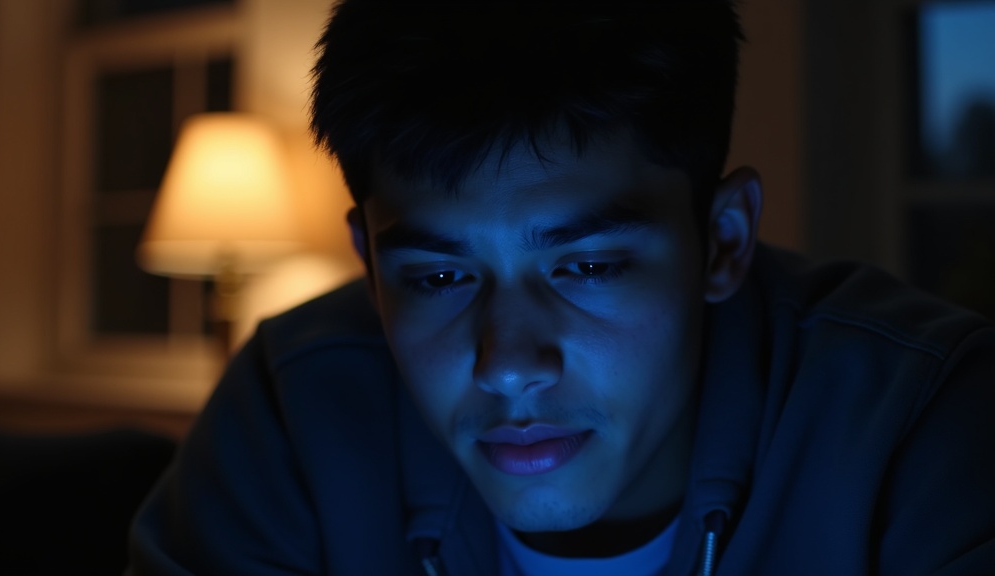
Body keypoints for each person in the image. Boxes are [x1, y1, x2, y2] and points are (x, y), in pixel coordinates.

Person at [128, 1, 995, 574]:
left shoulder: (923, 417)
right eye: (437, 275)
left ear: (722, 241)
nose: (508, 365)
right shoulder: (291, 409)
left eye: (587, 266)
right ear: (369, 268)